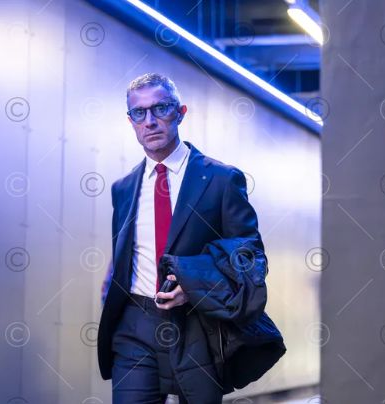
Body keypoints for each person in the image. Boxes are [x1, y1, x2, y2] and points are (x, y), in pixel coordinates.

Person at [97, 73, 266, 403]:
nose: (150, 121)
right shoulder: (123, 189)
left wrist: (195, 286)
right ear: (131, 121)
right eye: (139, 113)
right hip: (135, 325)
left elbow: (250, 256)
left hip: (198, 326)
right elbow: (126, 253)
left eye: (160, 108)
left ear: (180, 113)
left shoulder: (220, 179)